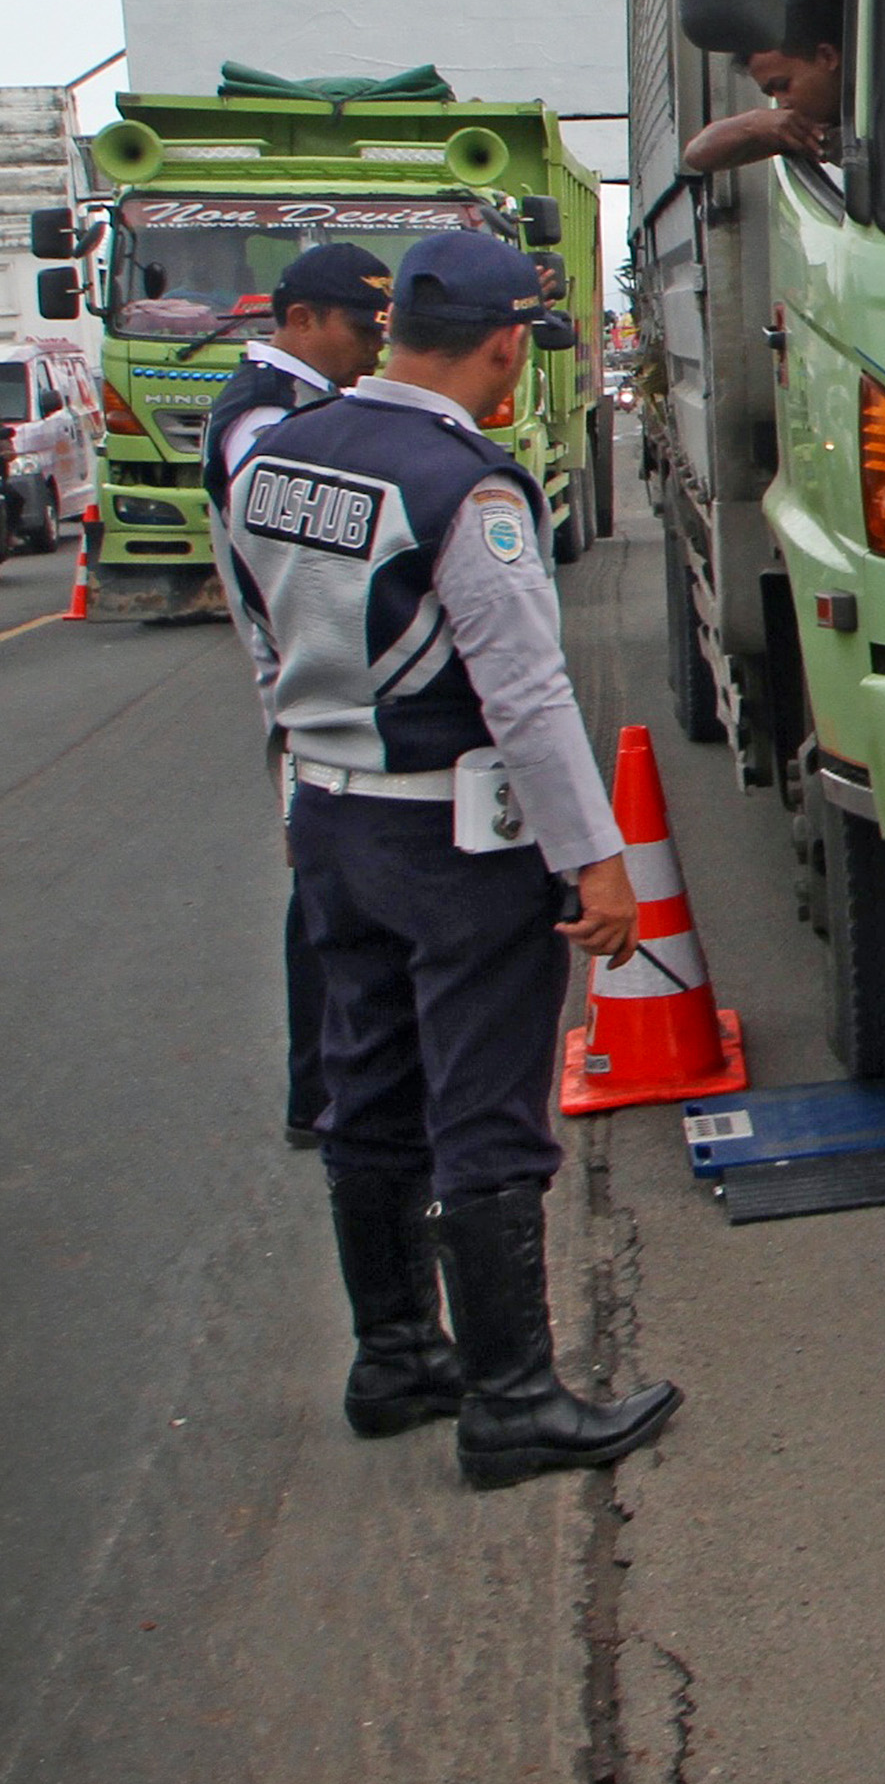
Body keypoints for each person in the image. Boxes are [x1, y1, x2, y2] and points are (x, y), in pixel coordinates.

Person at [224, 231, 681, 1489]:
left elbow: (259, 634)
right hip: (452, 838)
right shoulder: (462, 483)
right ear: (501, 347)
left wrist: (299, 783)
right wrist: (595, 860)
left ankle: (394, 1360)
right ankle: (514, 1399)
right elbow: (526, 694)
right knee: (483, 1110)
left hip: (329, 819)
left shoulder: (273, 456)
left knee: (364, 1092)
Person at [201, 241, 394, 1147]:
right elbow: (294, 559)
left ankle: (337, 1085)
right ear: (301, 320)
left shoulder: (306, 404)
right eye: (360, 328)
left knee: (340, 887)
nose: (373, 348)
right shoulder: (262, 421)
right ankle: (321, 1097)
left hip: (322, 683)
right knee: (328, 896)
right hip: (307, 688)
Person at [680, 38, 840, 175]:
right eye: (772, 94)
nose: (782, 103)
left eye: (784, 85)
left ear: (827, 56)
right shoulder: (798, 128)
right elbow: (696, 155)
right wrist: (753, 124)